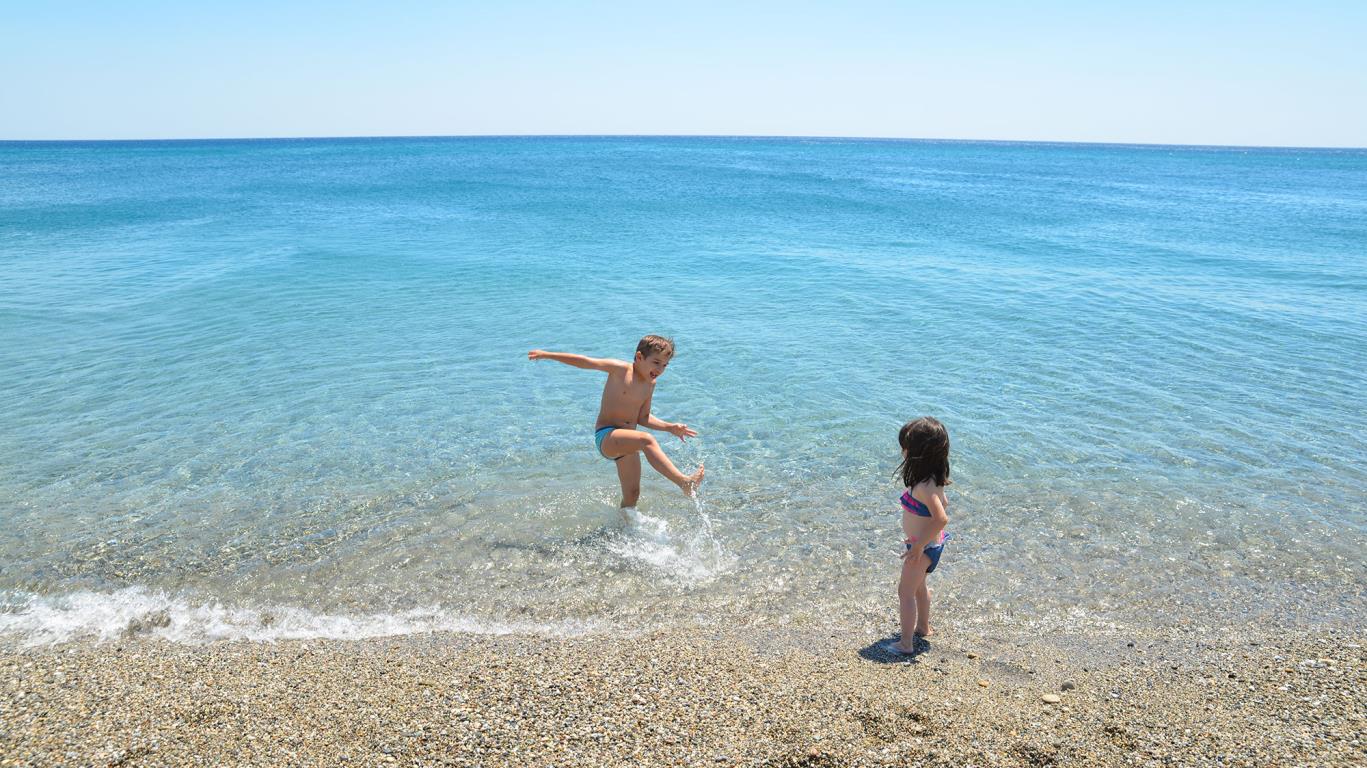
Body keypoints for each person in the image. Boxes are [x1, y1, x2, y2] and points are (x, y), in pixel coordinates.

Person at [527, 335, 705, 521]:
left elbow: (642, 417)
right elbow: (586, 362)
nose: (660, 370)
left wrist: (670, 427)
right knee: (647, 440)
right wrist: (547, 355)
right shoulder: (620, 370)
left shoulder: (650, 384)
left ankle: (624, 529)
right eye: (656, 362)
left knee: (632, 495)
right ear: (639, 357)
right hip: (606, 436)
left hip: (626, 443)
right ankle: (684, 483)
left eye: (665, 366)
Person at [886, 417, 951, 655]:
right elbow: (938, 511)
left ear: (918, 454)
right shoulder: (933, 480)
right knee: (920, 588)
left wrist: (918, 545)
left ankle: (905, 643)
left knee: (905, 593)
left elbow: (941, 518)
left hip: (922, 548)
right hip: (930, 545)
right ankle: (923, 627)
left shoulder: (924, 486)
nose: (902, 451)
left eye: (906, 447)